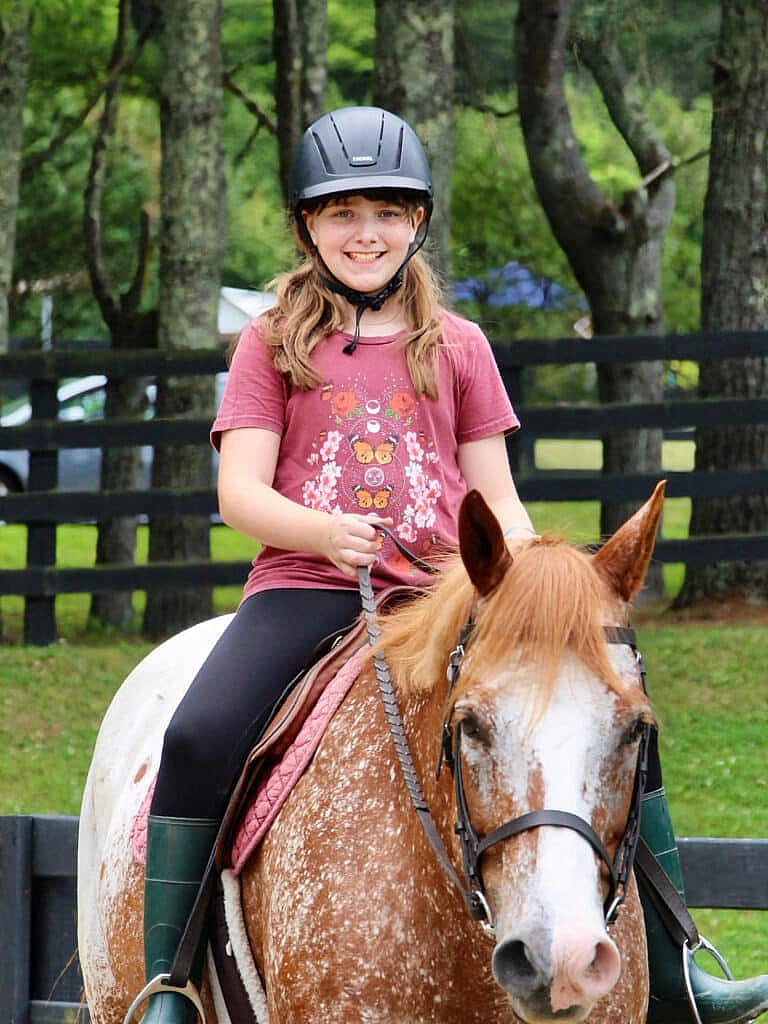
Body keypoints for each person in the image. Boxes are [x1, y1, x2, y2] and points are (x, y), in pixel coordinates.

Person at [133, 107, 768, 1024]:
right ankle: (170, 986)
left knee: (616, 713)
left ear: (417, 223)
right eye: (343, 213)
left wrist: (537, 574)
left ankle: (675, 971)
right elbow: (240, 493)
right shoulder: (270, 342)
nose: (367, 233)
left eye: (388, 212)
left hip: (445, 592)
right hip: (309, 589)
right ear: (308, 226)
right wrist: (320, 532)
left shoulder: (460, 347)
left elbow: (496, 497)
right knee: (198, 738)